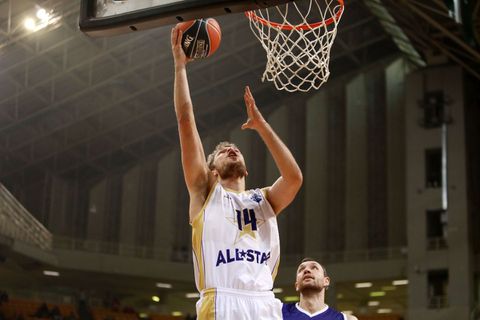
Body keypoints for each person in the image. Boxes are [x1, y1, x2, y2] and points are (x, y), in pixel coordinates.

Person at [171, 26, 303, 320]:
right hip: (221, 301)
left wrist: (262, 127)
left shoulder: (263, 200)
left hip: (264, 301)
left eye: (235, 148)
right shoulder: (205, 192)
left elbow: (294, 179)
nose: (231, 149)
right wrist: (180, 66)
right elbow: (184, 120)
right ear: (211, 170)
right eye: (222, 150)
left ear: (247, 167)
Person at [283, 258, 358, 320]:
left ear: (326, 281)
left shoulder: (346, 319)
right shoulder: (279, 311)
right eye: (301, 269)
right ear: (296, 285)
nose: (306, 270)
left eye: (314, 268)